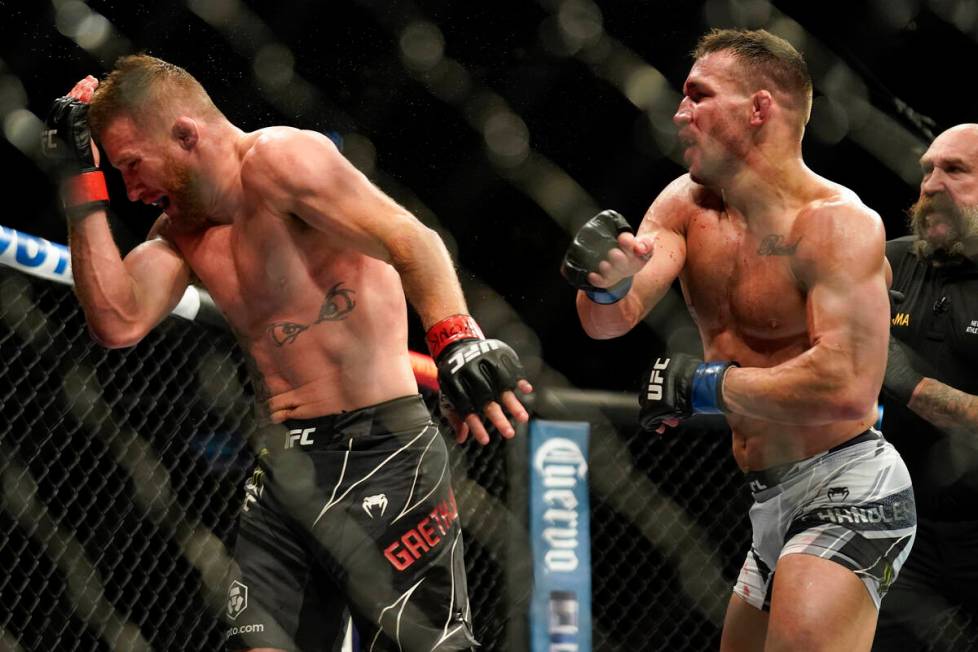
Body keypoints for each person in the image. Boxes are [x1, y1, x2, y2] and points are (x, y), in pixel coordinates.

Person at [42, 55, 532, 652]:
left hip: (381, 446)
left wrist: (454, 338)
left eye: (131, 165)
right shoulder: (180, 233)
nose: (133, 189)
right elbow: (117, 321)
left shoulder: (282, 161)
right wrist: (81, 187)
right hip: (283, 465)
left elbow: (412, 239)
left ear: (185, 134)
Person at [561, 29, 915, 651]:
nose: (678, 113)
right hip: (766, 497)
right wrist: (605, 287)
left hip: (849, 483)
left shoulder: (837, 224)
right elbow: (611, 320)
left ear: (758, 109)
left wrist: (703, 386)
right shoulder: (685, 203)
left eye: (698, 95)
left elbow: (845, 386)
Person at [872, 124, 978, 651]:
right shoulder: (884, 262)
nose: (932, 184)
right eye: (926, 170)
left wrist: (906, 381)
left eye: (955, 170)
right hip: (902, 523)